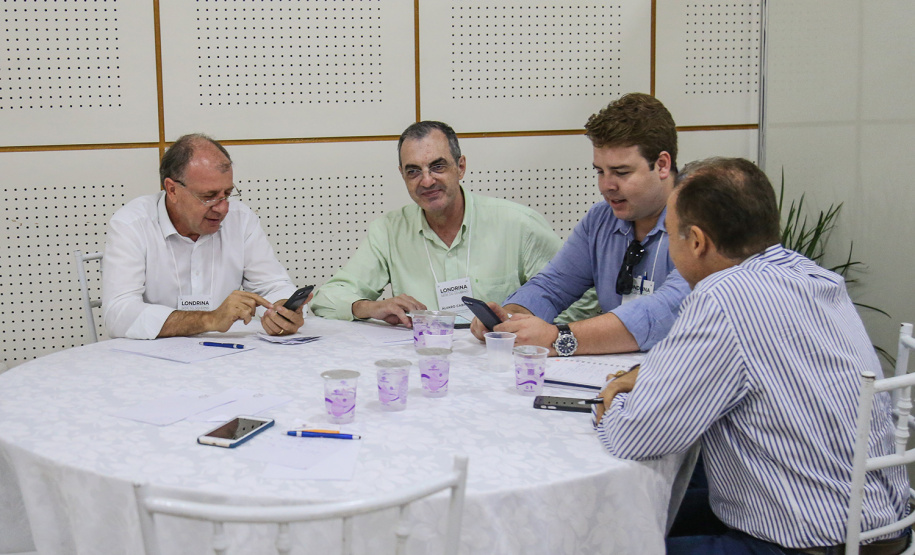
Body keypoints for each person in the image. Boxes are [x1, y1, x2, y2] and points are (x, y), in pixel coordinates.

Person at [593, 157, 910, 554]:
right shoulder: (813, 276)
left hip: (807, 542)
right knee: (643, 508)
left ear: (696, 241)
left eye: (671, 235)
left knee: (600, 536)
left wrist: (614, 397)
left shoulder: (721, 297)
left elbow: (635, 436)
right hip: (880, 524)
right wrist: (648, 375)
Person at [310, 120, 595, 326]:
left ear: (461, 167)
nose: (427, 180)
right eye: (413, 171)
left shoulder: (519, 225)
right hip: (425, 363)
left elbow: (585, 300)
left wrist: (519, 322)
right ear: (402, 175)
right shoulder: (388, 231)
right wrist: (370, 306)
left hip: (499, 362)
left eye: (437, 166)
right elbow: (326, 299)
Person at [471, 93, 691, 356]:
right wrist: (512, 318)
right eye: (600, 171)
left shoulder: (703, 221)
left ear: (662, 165)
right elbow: (552, 286)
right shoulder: (601, 220)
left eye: (621, 172)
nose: (606, 186)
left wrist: (558, 338)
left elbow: (667, 309)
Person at [102, 133, 308, 339]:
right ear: (172, 190)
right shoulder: (132, 224)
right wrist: (209, 319)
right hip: (151, 359)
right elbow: (118, 314)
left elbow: (273, 285)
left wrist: (283, 312)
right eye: (208, 197)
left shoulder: (240, 218)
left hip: (228, 355)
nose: (223, 208)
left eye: (227, 194)